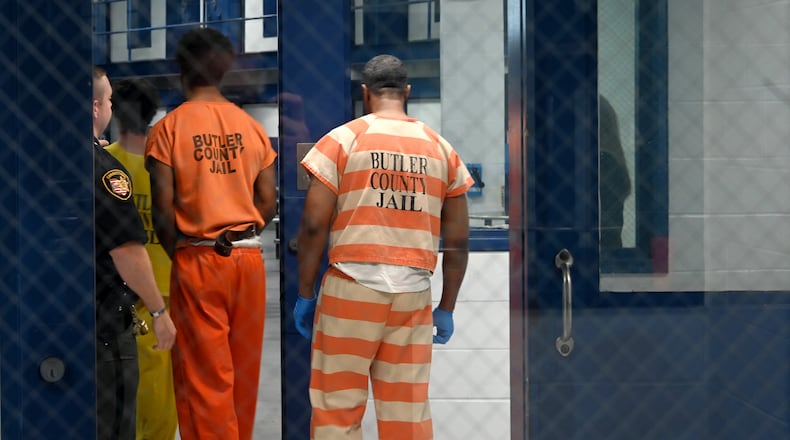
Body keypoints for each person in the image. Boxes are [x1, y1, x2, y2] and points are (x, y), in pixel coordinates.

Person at [293, 54, 473, 439]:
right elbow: (457, 241)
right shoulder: (442, 150)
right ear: (407, 92)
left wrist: (306, 293)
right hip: (412, 296)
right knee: (406, 414)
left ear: (365, 93)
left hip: (350, 290)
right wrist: (446, 307)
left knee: (337, 409)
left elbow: (312, 226)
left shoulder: (342, 140)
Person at [145, 28, 277, 440]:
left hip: (198, 259)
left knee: (205, 382)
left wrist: (183, 250)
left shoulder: (169, 129)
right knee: (242, 376)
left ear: (180, 70)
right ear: (225, 70)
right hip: (249, 262)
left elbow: (164, 211)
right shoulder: (251, 128)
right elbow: (268, 203)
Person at [93, 66, 176, 440]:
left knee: (123, 394)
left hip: (118, 299)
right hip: (163, 290)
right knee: (161, 394)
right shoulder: (167, 169)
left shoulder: (104, 162)